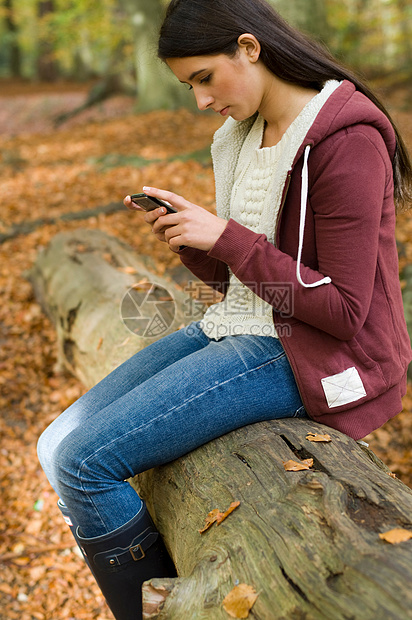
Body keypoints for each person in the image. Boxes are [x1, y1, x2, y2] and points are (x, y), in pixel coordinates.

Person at [37, 0, 412, 618]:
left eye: (204, 79)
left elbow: (343, 310)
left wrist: (226, 238)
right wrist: (192, 241)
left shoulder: (348, 140)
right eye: (188, 87)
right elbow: (242, 281)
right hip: (238, 326)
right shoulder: (237, 138)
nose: (200, 101)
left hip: (315, 352)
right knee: (57, 445)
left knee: (84, 465)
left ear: (249, 47)